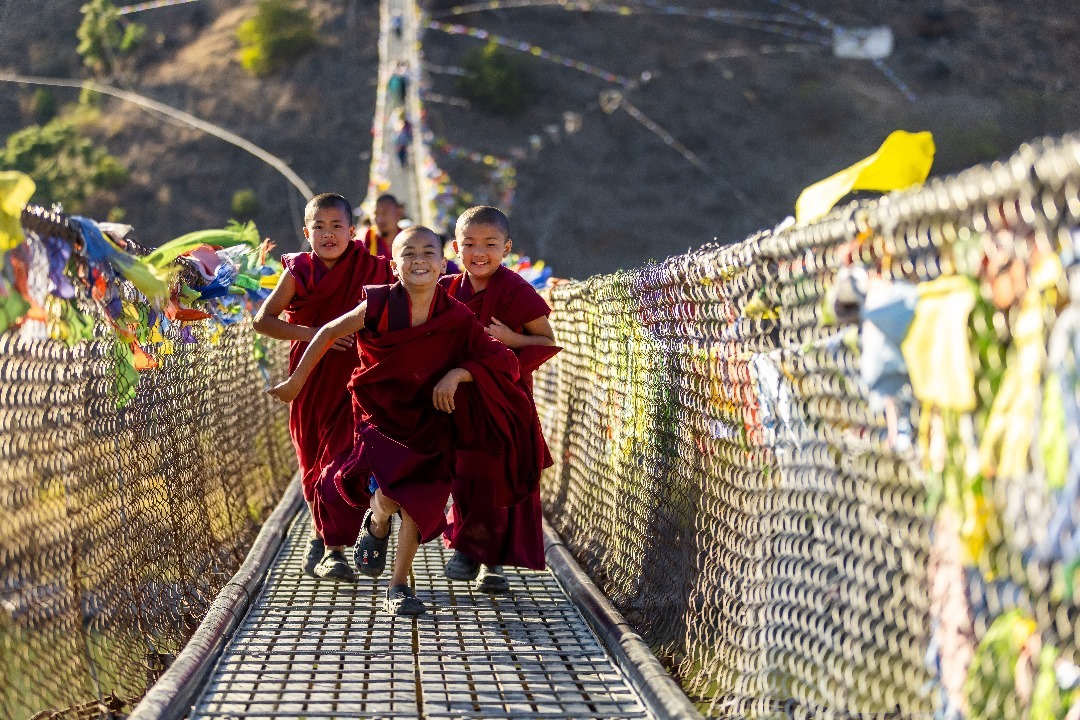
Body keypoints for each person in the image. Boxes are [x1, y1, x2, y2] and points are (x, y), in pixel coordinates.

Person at [267, 226, 547, 615]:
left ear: (442, 262)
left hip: (432, 421)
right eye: (409, 254)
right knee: (391, 495)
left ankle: (398, 587)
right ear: (393, 266)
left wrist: (458, 375)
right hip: (381, 418)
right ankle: (376, 522)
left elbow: (497, 358)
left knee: (421, 498)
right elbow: (329, 331)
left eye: (428, 253)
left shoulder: (455, 314)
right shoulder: (378, 304)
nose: (419, 260)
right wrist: (296, 382)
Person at [253, 193, 393, 580]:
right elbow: (263, 321)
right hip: (310, 378)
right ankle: (323, 535)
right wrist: (319, 334)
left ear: (353, 231)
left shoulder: (373, 267)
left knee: (344, 460)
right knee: (312, 462)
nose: (328, 234)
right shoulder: (299, 271)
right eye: (319, 226)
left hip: (359, 379)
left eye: (336, 226)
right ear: (306, 232)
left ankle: (335, 549)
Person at [439, 206, 559, 592]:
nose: (479, 252)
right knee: (463, 474)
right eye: (470, 243)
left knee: (498, 477)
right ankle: (472, 550)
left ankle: (485, 559)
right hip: (457, 403)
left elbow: (546, 341)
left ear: (506, 248)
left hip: (505, 402)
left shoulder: (516, 290)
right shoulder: (445, 292)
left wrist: (513, 339)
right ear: (455, 247)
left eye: (490, 244)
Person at [360, 194, 405, 258]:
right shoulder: (367, 239)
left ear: (399, 213)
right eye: (375, 213)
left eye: (385, 213)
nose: (379, 219)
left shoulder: (409, 240)